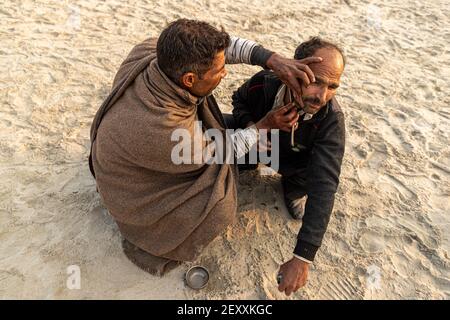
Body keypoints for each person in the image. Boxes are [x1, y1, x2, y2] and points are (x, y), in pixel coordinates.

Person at [89, 19, 320, 276]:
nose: (225, 73)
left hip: (134, 149)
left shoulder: (152, 53)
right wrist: (265, 125)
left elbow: (225, 51)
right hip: (132, 191)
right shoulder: (163, 126)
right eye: (218, 71)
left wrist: (272, 60)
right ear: (189, 79)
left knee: (239, 134)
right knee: (219, 207)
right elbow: (218, 152)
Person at [231, 37, 346, 296]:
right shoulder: (266, 82)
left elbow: (324, 188)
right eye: (315, 81)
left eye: (332, 86)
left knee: (314, 174)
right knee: (219, 131)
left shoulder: (331, 122)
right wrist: (253, 128)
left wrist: (303, 257)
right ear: (293, 70)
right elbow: (238, 99)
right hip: (258, 145)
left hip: (294, 165)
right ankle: (243, 166)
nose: (321, 96)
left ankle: (292, 191)